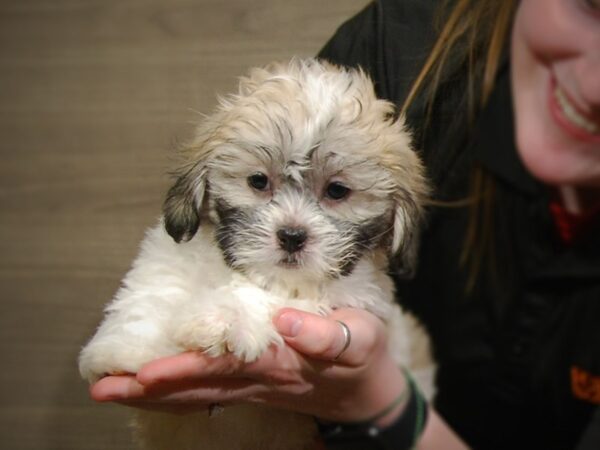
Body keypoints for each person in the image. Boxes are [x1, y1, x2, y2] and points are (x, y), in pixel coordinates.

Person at [89, 0, 600, 448]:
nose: (292, 224)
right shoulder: (404, 41)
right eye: (591, 5)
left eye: (335, 192)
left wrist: (383, 406)